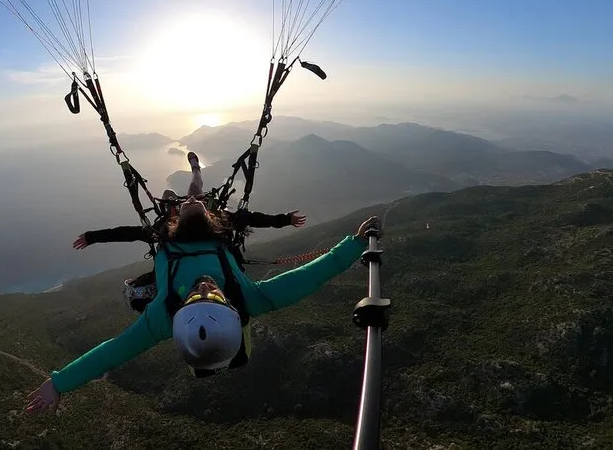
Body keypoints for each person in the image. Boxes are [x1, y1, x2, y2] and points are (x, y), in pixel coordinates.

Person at [25, 208, 382, 414]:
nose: (206, 286)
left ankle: (142, 285)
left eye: (196, 295)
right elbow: (308, 277)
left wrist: (59, 383)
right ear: (230, 307)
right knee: (202, 207)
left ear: (180, 313)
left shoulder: (160, 319)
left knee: (144, 275)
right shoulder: (248, 299)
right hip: (211, 233)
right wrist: (353, 245)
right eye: (213, 295)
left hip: (174, 238)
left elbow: (109, 353)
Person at [72, 151, 306, 312]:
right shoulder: (222, 220)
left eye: (188, 203)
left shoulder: (163, 230)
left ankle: (187, 180)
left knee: (168, 195)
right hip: (199, 244)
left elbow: (126, 233)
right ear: (207, 213)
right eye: (197, 203)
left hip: (178, 244)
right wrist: (285, 219)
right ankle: (196, 168)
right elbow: (254, 219)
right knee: (195, 185)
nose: (191, 199)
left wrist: (92, 237)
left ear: (177, 218)